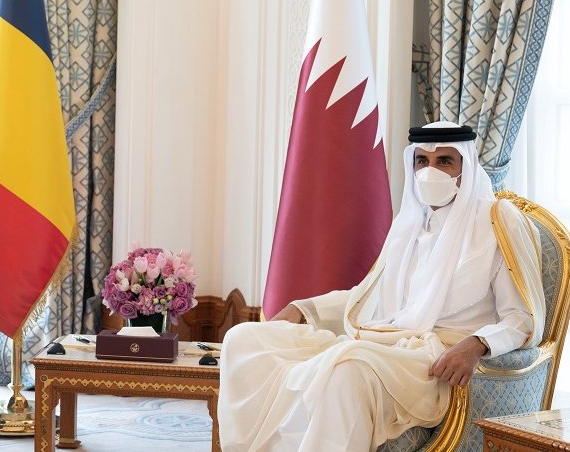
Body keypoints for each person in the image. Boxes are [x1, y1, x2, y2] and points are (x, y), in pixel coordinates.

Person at [217, 121, 546, 452]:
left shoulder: (496, 222)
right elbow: (369, 298)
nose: (430, 171)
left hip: (432, 362)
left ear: (467, 165)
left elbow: (521, 318)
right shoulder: (410, 224)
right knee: (245, 340)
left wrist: (475, 345)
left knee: (348, 367)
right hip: (383, 343)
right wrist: (307, 309)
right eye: (422, 161)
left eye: (445, 161)